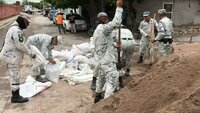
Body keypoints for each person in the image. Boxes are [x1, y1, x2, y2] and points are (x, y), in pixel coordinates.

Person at [0, 12, 36, 103]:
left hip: (9, 56)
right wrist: (31, 53)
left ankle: (15, 95)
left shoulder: (13, 29)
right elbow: (20, 45)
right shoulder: (17, 30)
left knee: (13, 75)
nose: (27, 25)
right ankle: (15, 97)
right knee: (15, 75)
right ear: (23, 20)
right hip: (11, 57)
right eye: (27, 23)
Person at [93, 0, 123, 103]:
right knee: (113, 77)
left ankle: (97, 97)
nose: (106, 20)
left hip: (101, 61)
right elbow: (117, 22)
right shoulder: (104, 28)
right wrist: (119, 7)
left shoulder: (97, 30)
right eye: (105, 18)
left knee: (101, 79)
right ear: (105, 19)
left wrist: (114, 45)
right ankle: (106, 103)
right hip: (107, 60)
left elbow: (103, 44)